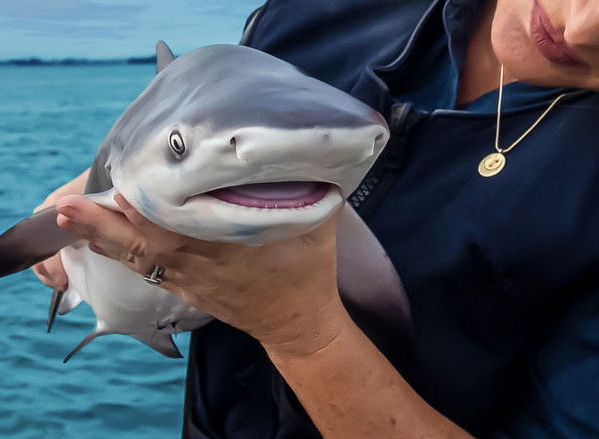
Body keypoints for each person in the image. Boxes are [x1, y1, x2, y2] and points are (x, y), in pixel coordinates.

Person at [33, 0, 599, 437]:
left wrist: (302, 332)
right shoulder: (312, 12)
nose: (583, 28)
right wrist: (114, 186)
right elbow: (197, 115)